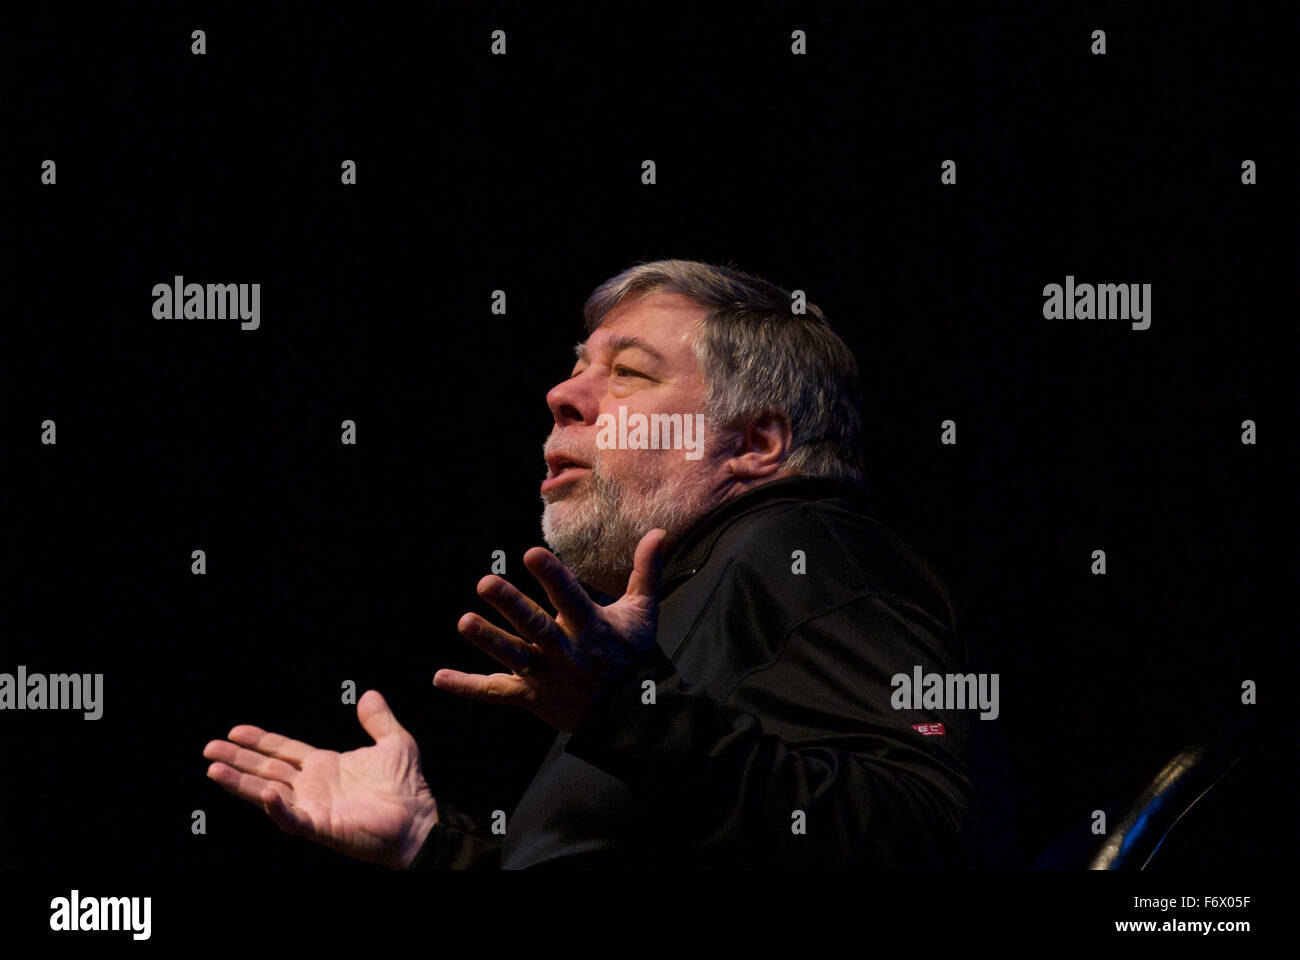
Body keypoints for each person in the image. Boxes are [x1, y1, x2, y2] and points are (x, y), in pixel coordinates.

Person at [202, 259, 973, 868]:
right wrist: (431, 846)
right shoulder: (680, 612)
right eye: (579, 365)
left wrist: (628, 712)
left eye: (629, 373)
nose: (563, 393)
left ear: (756, 443)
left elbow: (925, 835)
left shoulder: (809, 550)